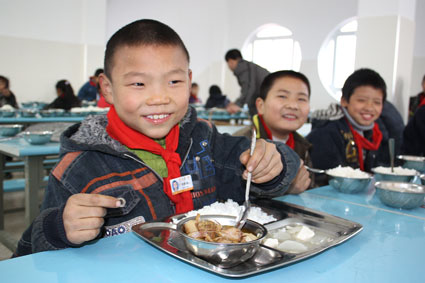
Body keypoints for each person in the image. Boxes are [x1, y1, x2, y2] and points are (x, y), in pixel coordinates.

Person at [14, 19, 301, 257]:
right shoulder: (79, 169)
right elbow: (30, 255)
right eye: (138, 83)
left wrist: (274, 162)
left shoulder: (204, 139)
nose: (159, 98)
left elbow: (271, 163)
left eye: (174, 81)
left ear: (189, 81)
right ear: (108, 88)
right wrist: (59, 228)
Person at [234, 70, 312, 193]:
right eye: (282, 96)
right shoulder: (241, 143)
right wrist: (286, 188)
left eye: (301, 99)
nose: (293, 105)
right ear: (261, 105)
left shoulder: (304, 146)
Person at [307, 68, 391, 175]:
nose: (369, 107)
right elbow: (325, 177)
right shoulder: (326, 133)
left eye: (377, 102)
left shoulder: (378, 133)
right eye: (361, 100)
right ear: (344, 101)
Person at [224, 49, 269, 117]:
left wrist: (238, 104)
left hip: (267, 99)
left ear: (231, 61)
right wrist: (236, 103)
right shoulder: (248, 66)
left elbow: (249, 88)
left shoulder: (242, 68)